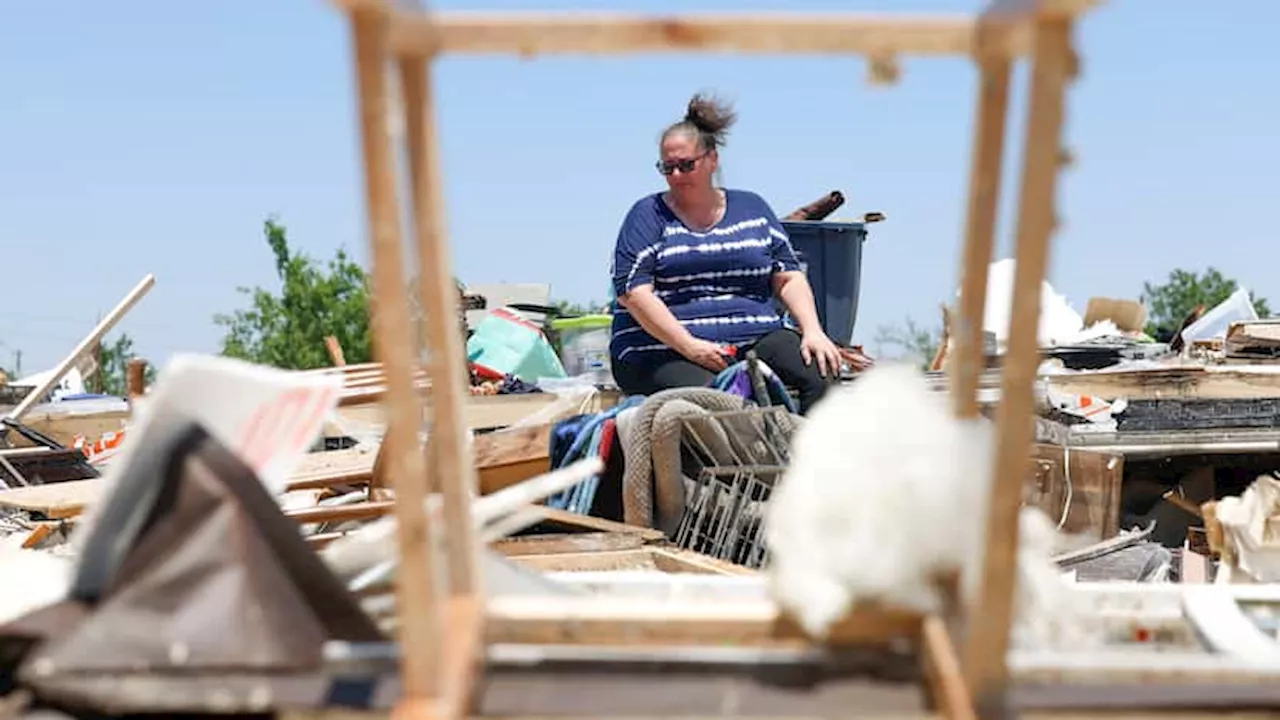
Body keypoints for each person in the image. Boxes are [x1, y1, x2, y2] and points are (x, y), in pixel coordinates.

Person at [608, 92, 842, 414]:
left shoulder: (753, 208)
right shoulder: (647, 216)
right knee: (721, 400)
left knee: (822, 370)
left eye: (686, 165)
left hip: (752, 335)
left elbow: (788, 276)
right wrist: (689, 346)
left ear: (712, 160)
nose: (676, 175)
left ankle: (813, 461)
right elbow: (633, 292)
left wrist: (813, 331)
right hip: (662, 350)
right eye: (668, 167)